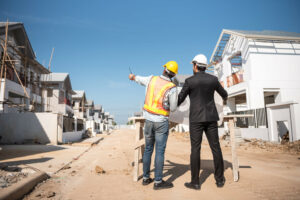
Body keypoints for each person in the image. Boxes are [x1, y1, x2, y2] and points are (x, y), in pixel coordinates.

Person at [177, 54, 228, 190]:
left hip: (196, 119)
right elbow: (224, 94)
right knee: (215, 148)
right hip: (211, 117)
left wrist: (169, 103)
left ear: (195, 66)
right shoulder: (213, 79)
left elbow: (179, 100)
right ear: (204, 66)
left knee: (195, 149)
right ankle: (220, 180)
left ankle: (195, 182)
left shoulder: (189, 81)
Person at [128, 61, 178, 190]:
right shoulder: (172, 87)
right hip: (161, 122)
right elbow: (173, 108)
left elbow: (138, 79)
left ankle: (145, 178)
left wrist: (132, 77)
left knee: (148, 149)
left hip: (148, 121)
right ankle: (158, 181)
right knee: (159, 151)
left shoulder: (151, 79)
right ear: (173, 74)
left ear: (164, 70)